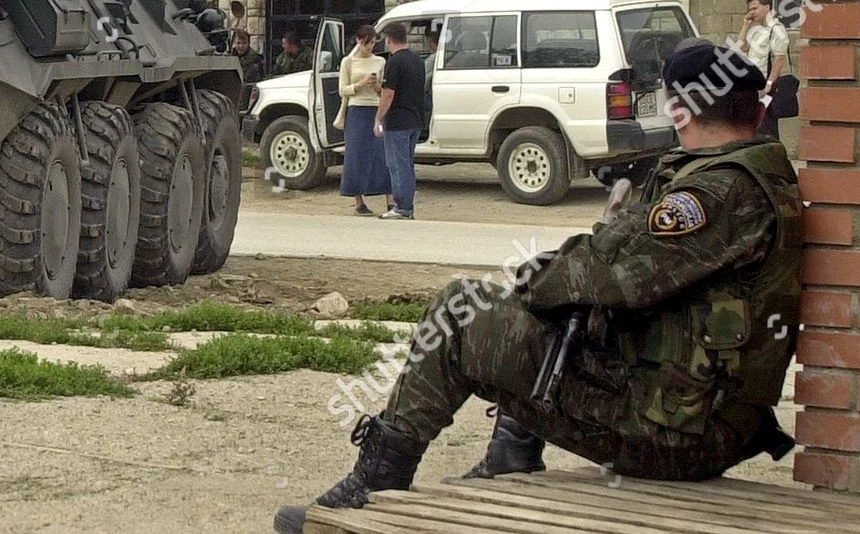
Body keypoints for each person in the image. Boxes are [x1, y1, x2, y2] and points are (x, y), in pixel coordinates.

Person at [272, 38, 801, 534]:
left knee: (461, 312)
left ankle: (374, 485)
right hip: (691, 413)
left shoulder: (716, 193)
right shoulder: (738, 175)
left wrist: (543, 277)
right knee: (541, 313)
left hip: (679, 436)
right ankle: (511, 456)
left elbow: (599, 273)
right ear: (752, 108)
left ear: (680, 109)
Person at [373, 22, 426, 220]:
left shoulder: (394, 62)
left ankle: (401, 207)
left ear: (389, 39)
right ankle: (408, 206)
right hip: (415, 119)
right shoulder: (417, 60)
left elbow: (388, 94)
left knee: (396, 165)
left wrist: (379, 117)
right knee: (408, 165)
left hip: (398, 121)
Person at [336, 25, 390, 216]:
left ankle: (389, 199)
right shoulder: (348, 62)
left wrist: (376, 86)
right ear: (358, 41)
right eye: (367, 43)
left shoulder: (380, 61)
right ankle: (358, 200)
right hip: (356, 109)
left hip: (375, 107)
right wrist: (358, 85)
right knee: (356, 153)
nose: (370, 47)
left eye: (373, 43)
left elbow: (384, 90)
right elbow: (342, 89)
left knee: (381, 152)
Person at [733, 0, 792, 141]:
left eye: (755, 8)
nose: (752, 12)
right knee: (755, 125)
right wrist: (745, 26)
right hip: (753, 85)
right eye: (750, 9)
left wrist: (769, 84)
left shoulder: (777, 29)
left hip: (766, 85)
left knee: (767, 127)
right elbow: (740, 48)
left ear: (767, 7)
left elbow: (779, 59)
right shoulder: (756, 30)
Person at [231, 29, 264, 106]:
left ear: (249, 44)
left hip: (245, 99)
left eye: (244, 43)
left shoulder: (254, 61)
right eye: (238, 43)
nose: (241, 46)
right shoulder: (231, 57)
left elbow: (250, 84)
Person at [420, 25, 441, 143]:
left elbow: (421, 83)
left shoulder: (433, 59)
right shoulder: (449, 55)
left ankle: (422, 132)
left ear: (429, 39)